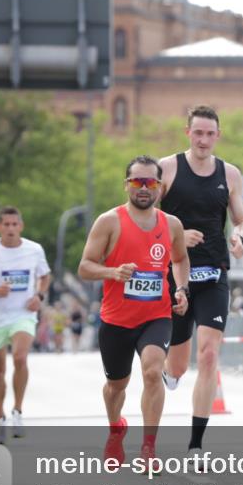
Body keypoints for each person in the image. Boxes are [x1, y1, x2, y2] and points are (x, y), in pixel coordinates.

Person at [79, 155, 190, 467]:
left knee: (154, 372)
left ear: (160, 187)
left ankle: (148, 448)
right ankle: (116, 429)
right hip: (116, 319)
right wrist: (112, 273)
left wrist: (181, 289)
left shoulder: (171, 224)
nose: (144, 188)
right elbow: (85, 267)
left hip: (157, 316)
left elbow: (180, 260)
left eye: (150, 182)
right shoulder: (109, 221)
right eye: (137, 182)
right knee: (117, 386)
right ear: (126, 185)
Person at [158, 105, 243, 459]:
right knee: (179, 365)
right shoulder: (167, 168)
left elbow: (241, 220)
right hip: (176, 274)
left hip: (214, 273)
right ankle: (170, 370)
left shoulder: (230, 173)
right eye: (198, 132)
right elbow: (144, 216)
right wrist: (177, 236)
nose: (204, 140)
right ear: (187, 132)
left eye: (210, 134)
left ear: (218, 136)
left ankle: (196, 444)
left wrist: (239, 236)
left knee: (209, 355)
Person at [0, 206, 51, 443]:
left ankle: (17, 411)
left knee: (20, 358)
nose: (11, 229)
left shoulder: (34, 250)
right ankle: (0, 417)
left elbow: (44, 276)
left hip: (22, 315)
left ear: (21, 227)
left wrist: (39, 296)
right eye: (6, 224)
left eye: (15, 224)